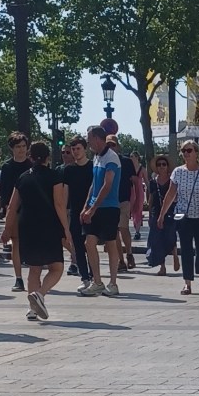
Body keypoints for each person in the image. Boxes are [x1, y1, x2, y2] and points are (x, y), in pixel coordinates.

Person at [1, 141, 71, 321]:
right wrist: (66, 228)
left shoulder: (23, 177)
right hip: (48, 224)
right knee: (57, 267)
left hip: (27, 226)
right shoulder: (54, 175)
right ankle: (40, 294)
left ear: (31, 157)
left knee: (34, 268)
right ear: (48, 157)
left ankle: (32, 309)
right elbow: (59, 204)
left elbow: (12, 207)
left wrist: (7, 230)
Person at [159, 143, 199, 294]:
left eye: (189, 150)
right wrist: (162, 214)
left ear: (197, 153)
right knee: (186, 249)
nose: (186, 153)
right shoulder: (177, 172)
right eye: (183, 151)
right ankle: (187, 282)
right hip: (184, 216)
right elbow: (170, 194)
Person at [78, 125, 122, 297]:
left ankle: (113, 282)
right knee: (89, 243)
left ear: (97, 138)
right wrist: (86, 207)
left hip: (109, 208)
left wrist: (93, 208)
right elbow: (94, 184)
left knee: (111, 244)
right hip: (95, 207)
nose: (88, 142)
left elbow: (107, 184)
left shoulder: (112, 157)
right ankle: (97, 281)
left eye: (89, 139)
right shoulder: (96, 157)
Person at [0, 132, 31, 292]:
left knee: (32, 244)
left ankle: (34, 276)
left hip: (32, 210)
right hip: (14, 211)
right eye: (18, 147)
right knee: (16, 243)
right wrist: (7, 215)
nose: (21, 150)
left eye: (24, 146)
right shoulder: (7, 167)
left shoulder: (32, 165)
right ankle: (19, 278)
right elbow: (4, 192)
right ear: (12, 148)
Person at [61, 136, 94, 287]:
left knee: (90, 244)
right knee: (78, 246)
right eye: (73, 149)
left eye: (78, 148)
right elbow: (65, 193)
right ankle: (85, 278)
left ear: (85, 148)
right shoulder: (68, 170)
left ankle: (95, 276)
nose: (75, 152)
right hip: (74, 212)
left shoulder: (93, 167)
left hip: (91, 211)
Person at [106, 136, 136, 271]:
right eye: (108, 145)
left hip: (124, 200)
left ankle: (129, 253)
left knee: (123, 229)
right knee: (114, 232)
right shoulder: (103, 161)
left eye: (113, 145)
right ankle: (121, 260)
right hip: (110, 201)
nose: (111, 147)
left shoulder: (126, 162)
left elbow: (135, 181)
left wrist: (137, 201)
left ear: (117, 146)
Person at [145, 155, 177, 274]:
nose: (161, 166)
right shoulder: (153, 182)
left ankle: (175, 255)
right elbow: (151, 199)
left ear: (167, 166)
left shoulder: (172, 181)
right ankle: (162, 266)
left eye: (164, 164)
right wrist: (149, 215)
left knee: (170, 235)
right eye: (159, 165)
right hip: (156, 211)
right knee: (157, 240)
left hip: (170, 211)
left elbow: (175, 196)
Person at [129, 151, 147, 240]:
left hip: (139, 191)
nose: (130, 158)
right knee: (133, 211)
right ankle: (136, 227)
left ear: (137, 157)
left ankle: (137, 231)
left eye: (132, 156)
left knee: (138, 210)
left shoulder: (142, 169)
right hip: (131, 191)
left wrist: (149, 193)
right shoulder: (129, 168)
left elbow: (147, 181)